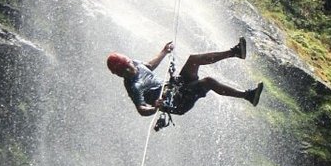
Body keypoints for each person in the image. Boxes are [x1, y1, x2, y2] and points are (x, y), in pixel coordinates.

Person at [106, 38, 263, 119]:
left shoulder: (136, 64)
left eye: (129, 65)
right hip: (177, 103)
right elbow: (141, 109)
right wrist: (155, 107)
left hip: (176, 88)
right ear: (120, 74)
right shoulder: (134, 86)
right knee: (208, 82)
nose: (131, 69)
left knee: (193, 59)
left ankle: (235, 52)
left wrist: (164, 51)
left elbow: (149, 66)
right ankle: (248, 95)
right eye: (125, 70)